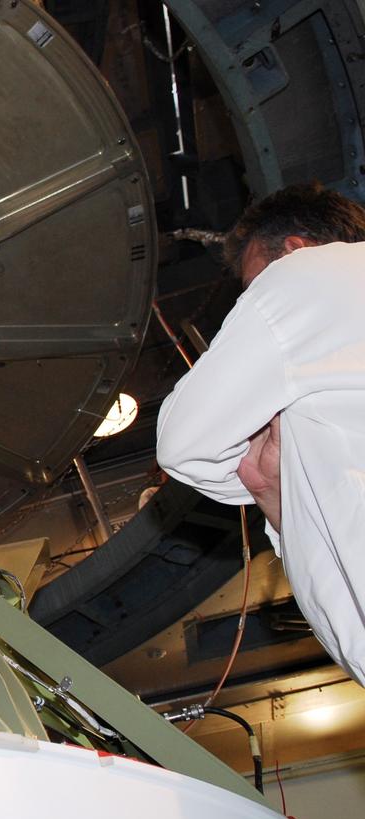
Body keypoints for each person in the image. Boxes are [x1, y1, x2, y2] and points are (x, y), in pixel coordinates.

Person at [156, 183, 365, 685]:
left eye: (253, 289)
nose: (254, 304)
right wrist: (274, 492)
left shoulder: (309, 274)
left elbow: (185, 444)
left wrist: (265, 471)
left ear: (293, 250)